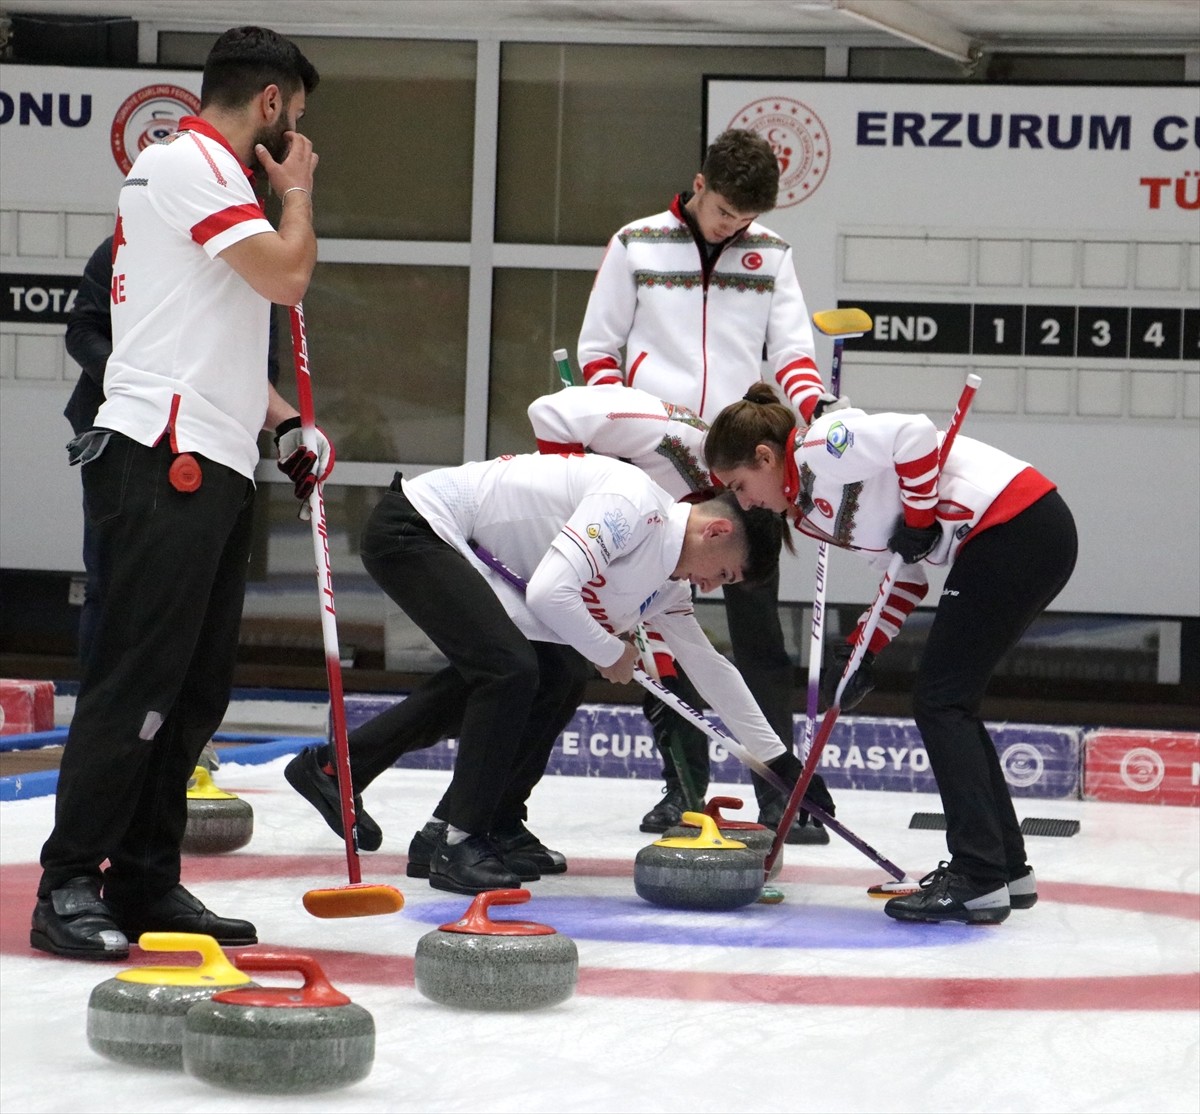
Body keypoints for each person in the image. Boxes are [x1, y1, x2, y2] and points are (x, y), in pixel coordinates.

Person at [32, 25, 327, 961]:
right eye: (296, 124)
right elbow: (290, 275)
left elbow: (221, 339)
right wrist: (300, 195)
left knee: (193, 692)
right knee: (134, 685)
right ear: (271, 104)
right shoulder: (188, 162)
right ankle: (69, 882)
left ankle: (147, 878)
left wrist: (283, 422)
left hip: (214, 456)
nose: (293, 144)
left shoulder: (214, 186)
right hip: (160, 460)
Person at [285, 451, 826, 895]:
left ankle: (395, 789)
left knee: (555, 673)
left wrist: (781, 764)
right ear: (716, 532)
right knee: (509, 671)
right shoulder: (632, 505)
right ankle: (459, 839)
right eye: (723, 575)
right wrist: (607, 652)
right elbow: (549, 591)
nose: (712, 587)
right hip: (419, 526)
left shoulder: (668, 583)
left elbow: (710, 668)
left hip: (473, 558)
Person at [704, 384, 1078, 924]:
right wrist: (860, 650)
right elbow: (907, 571)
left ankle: (978, 875)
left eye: (740, 485)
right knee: (952, 702)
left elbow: (914, 436)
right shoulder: (812, 513)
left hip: (1015, 524)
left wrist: (923, 518)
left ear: (765, 457)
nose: (743, 501)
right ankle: (1005, 868)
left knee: (941, 702)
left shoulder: (818, 446)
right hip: (1019, 532)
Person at [577, 128, 842, 841]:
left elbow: (791, 352)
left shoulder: (773, 254)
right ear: (699, 185)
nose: (732, 227)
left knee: (758, 632)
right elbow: (597, 351)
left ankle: (779, 794)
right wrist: (628, 424)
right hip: (655, 464)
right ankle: (682, 789)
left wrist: (814, 412)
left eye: (744, 219)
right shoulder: (636, 243)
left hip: (739, 467)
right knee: (660, 626)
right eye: (724, 211)